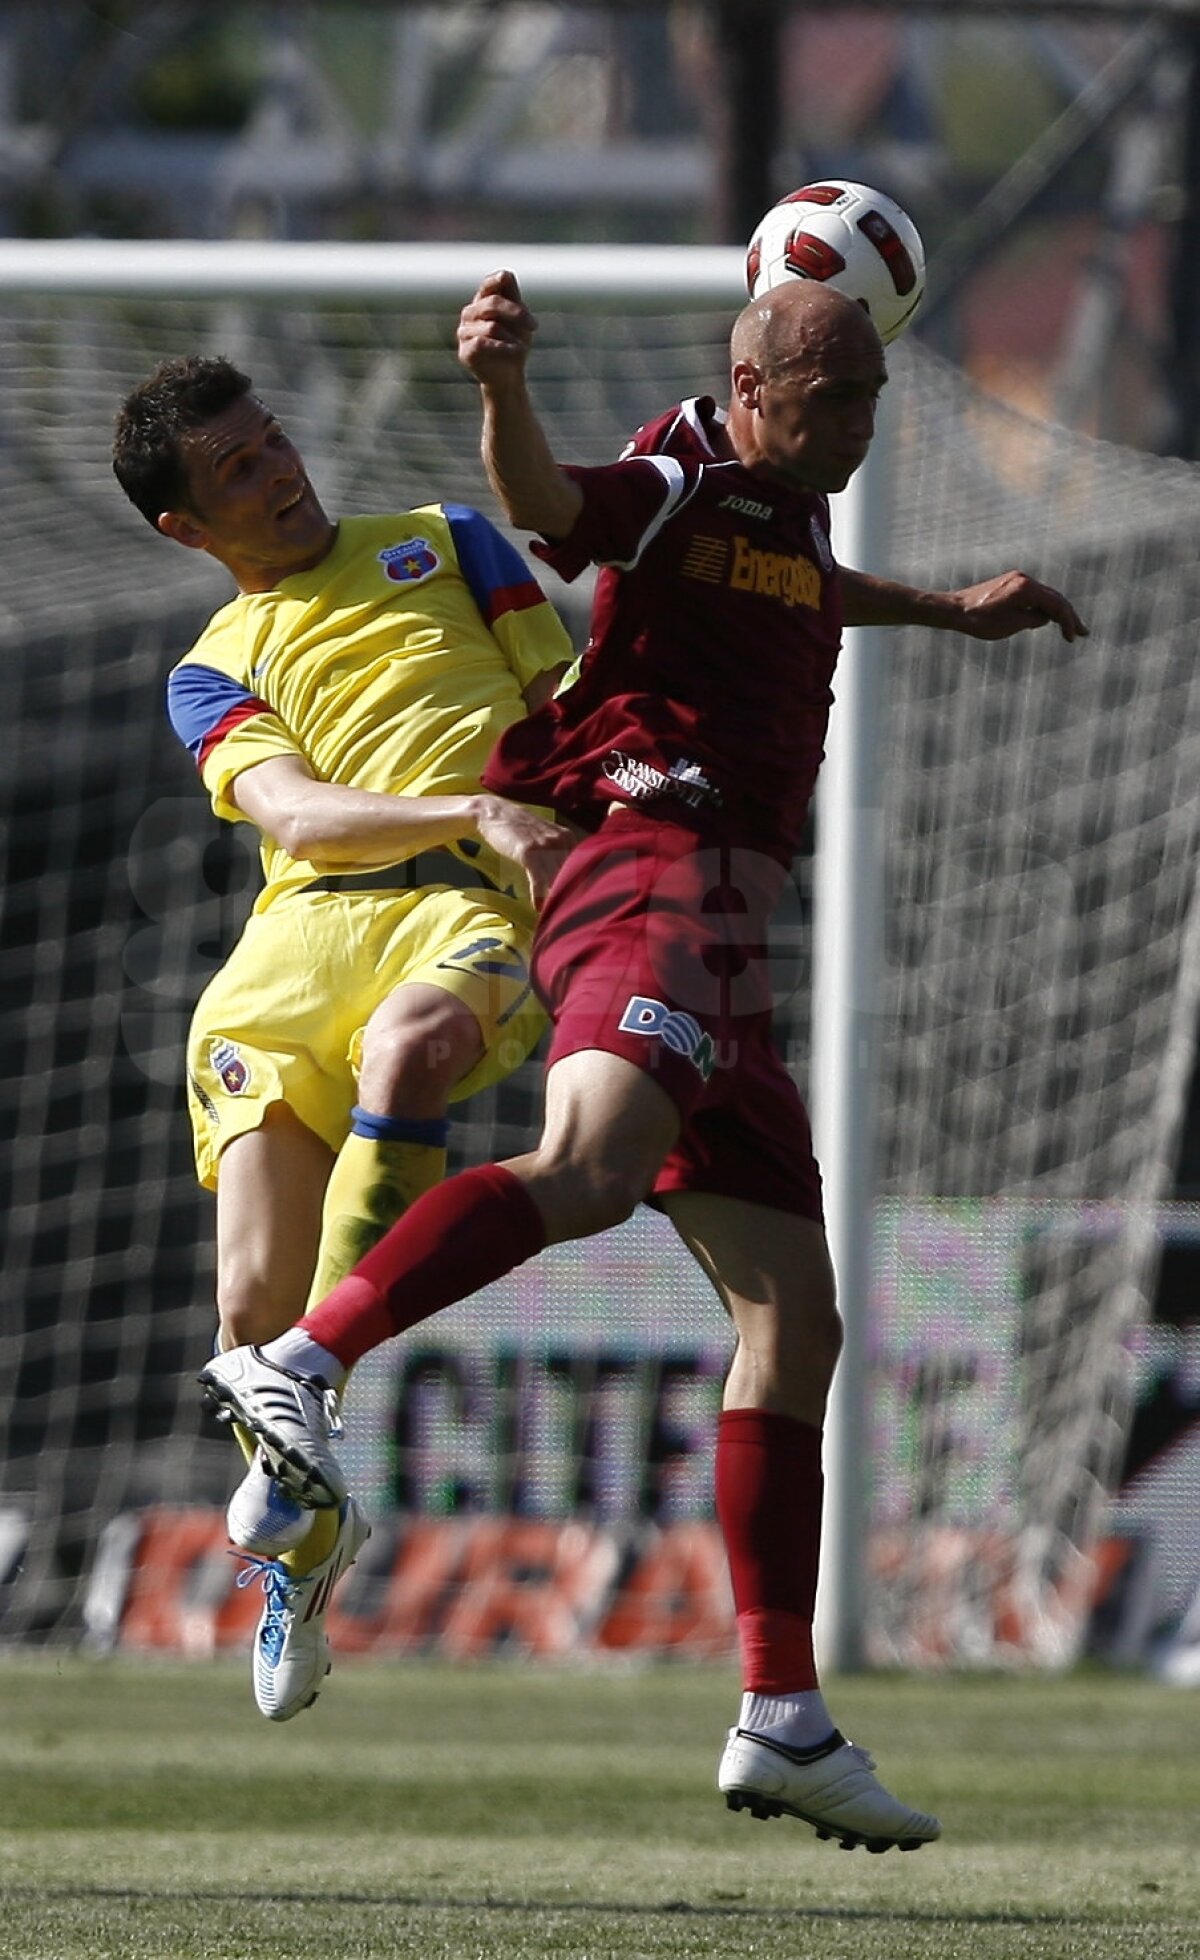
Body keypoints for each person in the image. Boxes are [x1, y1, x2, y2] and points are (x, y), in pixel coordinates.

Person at [200, 275, 1087, 1848]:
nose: (863, 423)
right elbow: (558, 506)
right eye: (834, 397)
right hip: (649, 862)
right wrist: (504, 386)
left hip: (732, 925)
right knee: (593, 1166)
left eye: (876, 397)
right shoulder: (687, 467)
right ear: (752, 385)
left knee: (792, 1315)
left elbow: (797, 587)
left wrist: (950, 612)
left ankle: (783, 1715)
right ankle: (304, 1362)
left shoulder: (786, 521)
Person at [113, 353, 574, 1720]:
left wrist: (570, 836)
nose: (282, 472)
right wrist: (468, 808)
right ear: (185, 530)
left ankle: (305, 1429)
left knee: (414, 1047)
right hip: (289, 958)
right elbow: (302, 818)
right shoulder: (210, 670)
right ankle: (303, 1564)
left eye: (275, 440)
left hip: (462, 921)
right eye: (238, 471)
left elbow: (565, 720)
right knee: (253, 1315)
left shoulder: (449, 543)